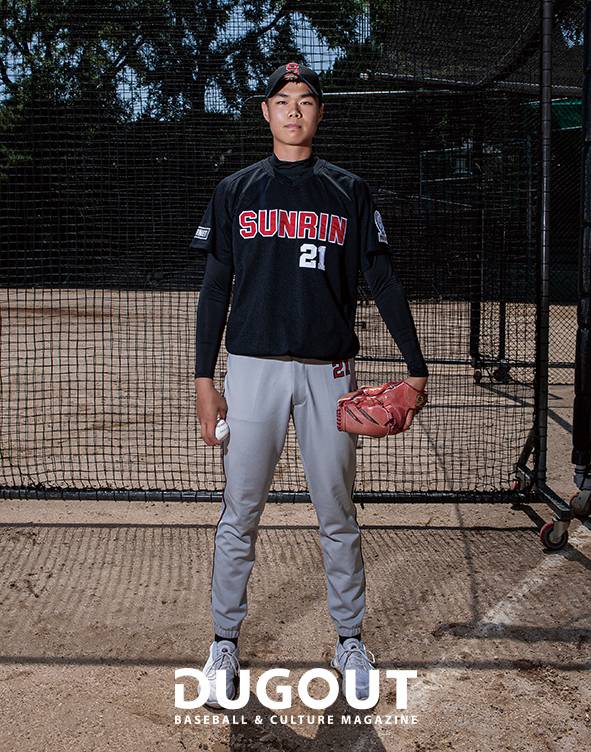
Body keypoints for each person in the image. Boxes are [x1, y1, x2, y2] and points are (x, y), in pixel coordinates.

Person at [191, 61, 429, 708]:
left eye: (305, 100)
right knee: (240, 512)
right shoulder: (235, 190)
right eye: (282, 100)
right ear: (265, 112)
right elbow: (214, 290)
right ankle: (223, 644)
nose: (293, 109)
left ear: (320, 113)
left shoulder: (348, 191)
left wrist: (415, 366)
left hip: (329, 374)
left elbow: (382, 280)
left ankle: (349, 640)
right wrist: (204, 378)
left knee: (337, 512)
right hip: (252, 370)